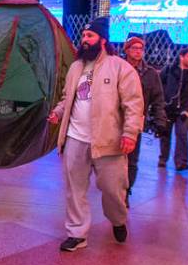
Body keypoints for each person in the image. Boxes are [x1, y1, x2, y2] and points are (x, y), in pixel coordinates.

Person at [48, 17, 143, 252]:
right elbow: (67, 98)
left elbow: (133, 104)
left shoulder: (121, 67)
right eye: (83, 36)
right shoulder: (75, 68)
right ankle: (77, 234)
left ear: (102, 40)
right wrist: (58, 113)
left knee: (113, 189)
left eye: (89, 36)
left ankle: (118, 219)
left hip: (108, 142)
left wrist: (130, 134)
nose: (84, 40)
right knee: (75, 189)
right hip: (75, 138)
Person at [121, 37, 167, 206]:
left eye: (141, 48)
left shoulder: (150, 74)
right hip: (115, 120)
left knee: (132, 159)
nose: (138, 51)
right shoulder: (117, 68)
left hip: (136, 121)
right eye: (134, 47)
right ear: (127, 50)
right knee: (114, 159)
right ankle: (114, 190)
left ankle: (125, 191)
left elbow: (158, 99)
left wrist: (160, 120)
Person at [159, 47, 188, 171]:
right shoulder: (169, 70)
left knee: (182, 134)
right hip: (168, 108)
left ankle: (181, 162)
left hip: (185, 109)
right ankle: (163, 158)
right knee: (165, 134)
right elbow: (159, 86)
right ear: (182, 56)